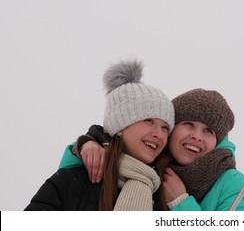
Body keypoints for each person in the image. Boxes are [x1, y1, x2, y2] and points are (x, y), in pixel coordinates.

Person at [60, 89, 244, 211]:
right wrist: (86, 145)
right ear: (171, 128)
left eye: (208, 131)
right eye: (188, 124)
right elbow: (69, 180)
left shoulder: (233, 184)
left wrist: (181, 203)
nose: (197, 136)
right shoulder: (149, 164)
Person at [25, 58, 175, 210]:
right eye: (148, 121)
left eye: (164, 127)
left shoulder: (165, 195)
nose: (158, 134)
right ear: (120, 127)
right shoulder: (73, 181)